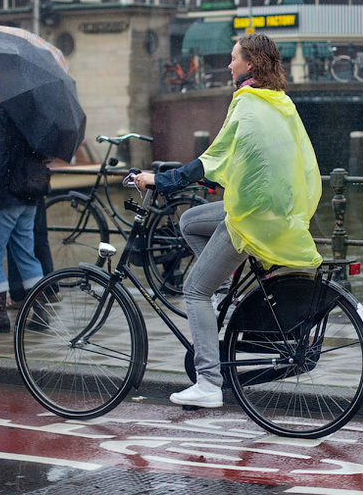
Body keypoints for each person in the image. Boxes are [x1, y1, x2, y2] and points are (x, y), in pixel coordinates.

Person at [134, 33, 323, 408]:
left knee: (193, 290)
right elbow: (245, 157)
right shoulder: (278, 102)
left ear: (250, 64)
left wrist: (163, 180)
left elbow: (214, 157)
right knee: (189, 222)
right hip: (276, 207)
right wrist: (205, 175)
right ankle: (226, 295)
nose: (228, 64)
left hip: (252, 216)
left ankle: (207, 383)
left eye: (234, 58)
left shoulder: (247, 103)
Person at [0, 74, 45, 333]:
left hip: (4, 199)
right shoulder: (28, 118)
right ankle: (42, 311)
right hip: (28, 198)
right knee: (27, 255)